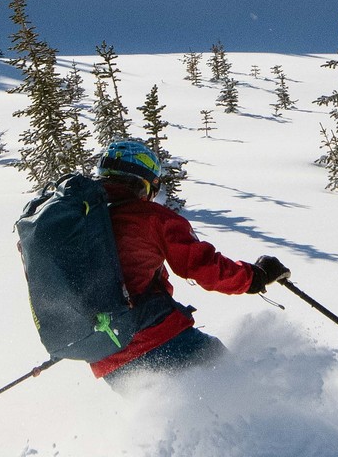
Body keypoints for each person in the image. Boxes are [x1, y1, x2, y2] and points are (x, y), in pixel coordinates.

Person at [88, 138, 287, 380]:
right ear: (142, 183)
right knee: (238, 385)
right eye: (153, 187)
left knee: (176, 414)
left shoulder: (83, 222)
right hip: (157, 337)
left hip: (107, 360)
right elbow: (201, 266)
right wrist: (254, 277)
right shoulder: (151, 218)